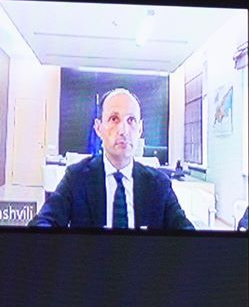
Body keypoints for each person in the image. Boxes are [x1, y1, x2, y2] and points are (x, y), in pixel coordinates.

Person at [35, 88, 195, 230]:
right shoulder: (76, 177)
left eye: (131, 120)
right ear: (98, 128)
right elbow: (44, 222)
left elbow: (186, 234)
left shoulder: (159, 184)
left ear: (140, 129)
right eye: (114, 119)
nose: (123, 130)